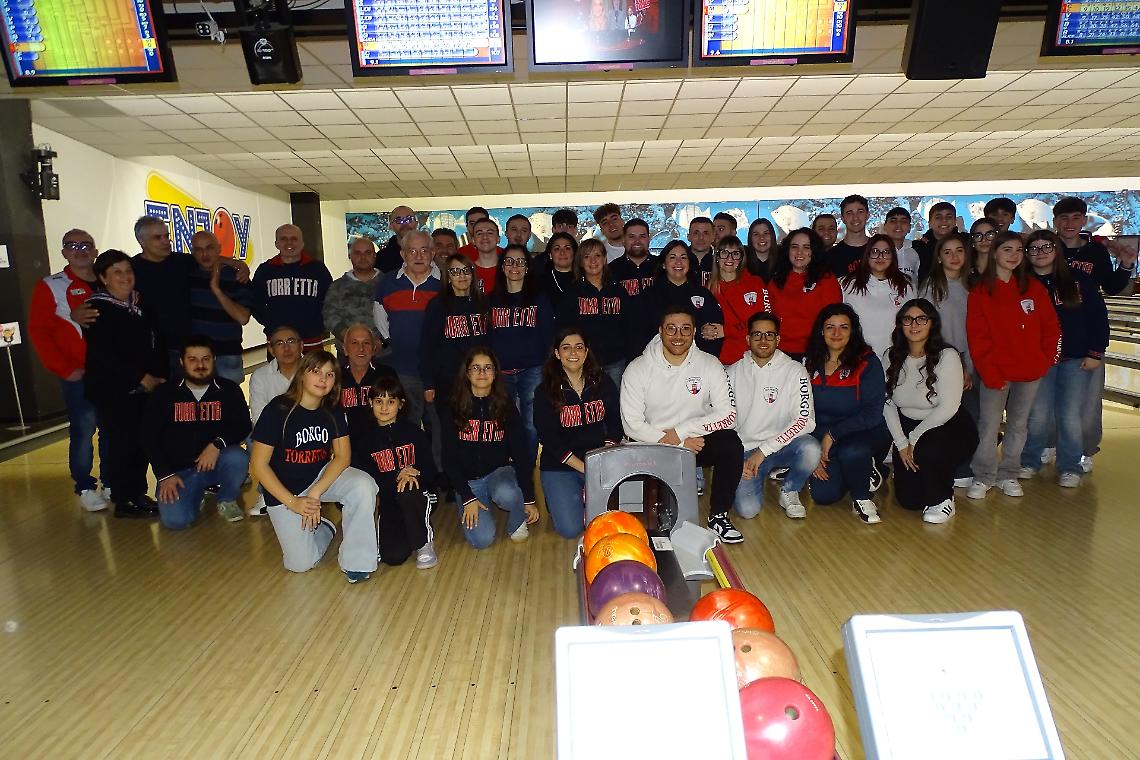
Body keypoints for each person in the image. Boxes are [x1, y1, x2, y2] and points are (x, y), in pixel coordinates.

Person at [250, 350, 380, 582]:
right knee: (300, 565)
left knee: (363, 485)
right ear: (302, 375)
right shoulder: (278, 409)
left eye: (330, 375)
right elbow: (258, 466)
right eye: (316, 372)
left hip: (317, 479)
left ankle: (357, 562)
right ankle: (325, 528)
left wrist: (315, 493)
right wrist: (294, 502)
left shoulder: (333, 410)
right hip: (284, 490)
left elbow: (342, 457)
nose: (323, 379)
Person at [621, 306, 744, 543]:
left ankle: (718, 515)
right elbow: (631, 425)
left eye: (685, 329)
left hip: (693, 442)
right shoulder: (637, 368)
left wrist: (681, 433)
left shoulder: (710, 364)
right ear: (660, 331)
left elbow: (729, 415)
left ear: (694, 332)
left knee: (730, 443)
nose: (678, 336)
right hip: (653, 446)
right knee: (654, 525)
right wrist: (671, 441)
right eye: (671, 329)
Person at [965, 231, 1060, 500]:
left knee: (1019, 424)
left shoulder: (1032, 288)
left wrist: (1044, 360)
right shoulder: (982, 291)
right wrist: (990, 372)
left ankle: (1009, 473)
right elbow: (978, 337)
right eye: (1007, 249)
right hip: (995, 371)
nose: (1014, 255)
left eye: (1019, 250)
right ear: (995, 252)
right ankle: (984, 476)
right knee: (989, 425)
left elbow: (1050, 328)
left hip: (1029, 371)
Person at [28, 229, 110, 511]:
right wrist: (63, 369)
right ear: (64, 252)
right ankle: (85, 486)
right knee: (84, 429)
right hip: (79, 374)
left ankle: (111, 482)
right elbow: (39, 333)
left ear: (95, 250)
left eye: (86, 245)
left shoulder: (109, 280)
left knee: (112, 428)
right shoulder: (51, 286)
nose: (80, 250)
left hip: (111, 372)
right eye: (72, 246)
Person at [1053, 195, 1136, 471]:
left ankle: (1086, 449)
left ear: (1084, 220)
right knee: (1050, 399)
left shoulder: (1095, 253)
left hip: (1085, 335)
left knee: (1087, 403)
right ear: (1055, 222)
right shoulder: (1045, 250)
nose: (1069, 223)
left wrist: (1126, 264)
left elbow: (1112, 287)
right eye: (1064, 218)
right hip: (1051, 337)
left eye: (1076, 218)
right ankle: (1050, 444)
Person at [1020, 230, 1109, 488]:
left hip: (1075, 359)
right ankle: (1030, 460)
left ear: (1056, 249)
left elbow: (1098, 317)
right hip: (1039, 360)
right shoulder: (1023, 283)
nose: (1040, 252)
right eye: (1033, 248)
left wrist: (1096, 352)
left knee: (1070, 415)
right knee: (1037, 415)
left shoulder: (1078, 279)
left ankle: (1069, 466)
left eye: (1046, 247)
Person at [84, 250, 166, 519]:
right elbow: (105, 355)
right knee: (122, 445)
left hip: (144, 387)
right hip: (114, 390)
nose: (124, 277)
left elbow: (156, 343)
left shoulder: (140, 304)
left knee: (140, 442)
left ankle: (136, 493)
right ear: (103, 278)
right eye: (116, 272)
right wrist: (140, 377)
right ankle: (124, 499)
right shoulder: (95, 309)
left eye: (128, 271)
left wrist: (158, 374)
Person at [883, 300, 978, 524]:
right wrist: (901, 443)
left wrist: (914, 439)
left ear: (932, 323)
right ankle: (933, 477)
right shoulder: (890, 356)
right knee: (909, 500)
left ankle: (943, 500)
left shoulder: (947, 356)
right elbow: (886, 403)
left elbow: (948, 408)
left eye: (921, 319)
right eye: (907, 319)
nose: (914, 325)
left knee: (928, 449)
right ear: (900, 324)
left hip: (948, 427)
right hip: (909, 425)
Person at [142, 336, 251, 529]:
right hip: (178, 472)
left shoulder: (229, 390)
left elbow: (243, 425)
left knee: (238, 457)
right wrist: (164, 475)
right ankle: (195, 494)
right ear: (182, 362)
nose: (200, 365)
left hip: (214, 464)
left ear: (214, 360)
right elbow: (149, 437)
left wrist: (218, 443)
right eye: (193, 359)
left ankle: (226, 499)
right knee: (176, 522)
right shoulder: (164, 394)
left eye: (206, 359)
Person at [126, 216, 249, 379]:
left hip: (186, 349)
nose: (165, 241)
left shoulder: (182, 261)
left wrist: (238, 264)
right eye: (158, 237)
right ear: (141, 241)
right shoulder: (131, 269)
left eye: (166, 236)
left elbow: (208, 258)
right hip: (153, 351)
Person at [440, 348, 539, 548]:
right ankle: (478, 504)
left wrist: (528, 498)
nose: (482, 373)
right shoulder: (453, 407)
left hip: (498, 473)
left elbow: (521, 452)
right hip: (469, 483)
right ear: (467, 373)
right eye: (476, 368)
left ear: (495, 373)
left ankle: (515, 522)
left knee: (509, 494)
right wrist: (467, 498)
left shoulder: (505, 405)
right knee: (482, 540)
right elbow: (448, 459)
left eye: (488, 368)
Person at [728, 312, 821, 520]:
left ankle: (789, 489)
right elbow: (723, 422)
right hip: (745, 453)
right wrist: (734, 459)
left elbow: (805, 420)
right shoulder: (731, 373)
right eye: (757, 334)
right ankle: (756, 475)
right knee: (748, 511)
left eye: (769, 335)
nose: (763, 340)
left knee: (811, 448)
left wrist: (764, 450)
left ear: (778, 339)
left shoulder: (795, 371)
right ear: (747, 339)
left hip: (781, 446)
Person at [804, 304, 891, 524]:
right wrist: (811, 453)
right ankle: (861, 470)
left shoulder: (868, 362)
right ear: (821, 331)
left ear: (853, 331)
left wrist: (833, 434)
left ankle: (862, 497)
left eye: (844, 327)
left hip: (863, 432)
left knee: (853, 451)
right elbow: (800, 411)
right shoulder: (809, 362)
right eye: (830, 327)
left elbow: (872, 414)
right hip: (823, 438)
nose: (836, 333)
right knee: (824, 496)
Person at [533, 329, 623, 538]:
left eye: (578, 347)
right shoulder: (545, 390)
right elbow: (549, 439)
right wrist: (584, 468)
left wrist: (603, 457)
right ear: (557, 353)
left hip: (599, 461)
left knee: (616, 521)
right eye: (566, 347)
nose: (573, 352)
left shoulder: (603, 382)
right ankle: (559, 496)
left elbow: (616, 424)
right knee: (570, 530)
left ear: (586, 351)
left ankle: (581, 497)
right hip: (561, 466)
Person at [352, 376, 438, 569]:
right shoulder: (366, 442)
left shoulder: (414, 433)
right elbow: (368, 478)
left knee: (408, 488)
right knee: (393, 556)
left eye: (391, 401)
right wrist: (395, 476)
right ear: (370, 403)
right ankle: (410, 530)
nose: (384, 408)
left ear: (401, 404)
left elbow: (430, 470)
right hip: (389, 501)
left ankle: (424, 541)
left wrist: (413, 473)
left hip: (419, 494)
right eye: (378, 401)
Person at [374, 230, 442, 454]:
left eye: (424, 250)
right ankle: (410, 475)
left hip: (437, 371)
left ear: (432, 253)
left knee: (437, 425)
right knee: (407, 424)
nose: (419, 255)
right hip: (402, 368)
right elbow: (380, 316)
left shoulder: (444, 283)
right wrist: (392, 340)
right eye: (412, 251)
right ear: (403, 254)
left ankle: (438, 478)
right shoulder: (388, 283)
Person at [919, 233, 977, 486]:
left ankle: (966, 465)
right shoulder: (932, 287)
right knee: (948, 417)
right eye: (947, 252)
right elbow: (928, 330)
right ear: (939, 258)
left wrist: (971, 365)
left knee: (973, 417)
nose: (954, 257)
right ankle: (950, 468)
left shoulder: (974, 286)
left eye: (959, 251)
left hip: (975, 358)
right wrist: (958, 366)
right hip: (945, 360)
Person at [490, 244, 556, 463]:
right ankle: (506, 466)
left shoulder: (540, 299)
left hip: (532, 369)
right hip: (501, 371)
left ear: (527, 268)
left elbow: (548, 336)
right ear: (502, 267)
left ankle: (526, 469)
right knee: (502, 421)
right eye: (509, 261)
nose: (514, 266)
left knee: (530, 424)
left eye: (520, 262)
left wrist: (547, 368)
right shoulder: (491, 300)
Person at [557, 238, 630, 388]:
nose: (593, 261)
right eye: (587, 256)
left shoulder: (618, 290)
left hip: (616, 360)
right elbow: (564, 328)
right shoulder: (572, 292)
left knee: (615, 405)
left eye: (597, 255)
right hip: (585, 362)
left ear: (604, 259)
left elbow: (629, 324)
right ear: (581, 262)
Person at [421, 253, 490, 409]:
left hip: (479, 378)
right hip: (447, 380)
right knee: (449, 427)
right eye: (455, 272)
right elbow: (426, 346)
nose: (462, 276)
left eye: (466, 270)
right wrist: (428, 383)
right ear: (448, 277)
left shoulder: (483, 303)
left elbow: (490, 343)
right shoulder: (437, 305)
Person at [248, 324, 303, 517]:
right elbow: (258, 417)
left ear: (301, 345)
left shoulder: (316, 372)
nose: (286, 348)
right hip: (276, 436)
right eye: (279, 343)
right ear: (271, 349)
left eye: (291, 342)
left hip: (310, 434)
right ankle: (270, 492)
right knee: (255, 441)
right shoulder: (260, 376)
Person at [251, 224, 332, 352]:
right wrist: (270, 323)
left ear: (302, 243)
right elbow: (255, 302)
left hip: (311, 341)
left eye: (294, 239)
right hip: (278, 342)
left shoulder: (318, 269)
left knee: (313, 372)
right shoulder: (265, 271)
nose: (289, 243)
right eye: (283, 239)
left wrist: (319, 325)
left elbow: (330, 301)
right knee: (278, 373)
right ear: (276, 243)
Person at [188, 231, 254, 384]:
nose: (204, 254)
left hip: (228, 352)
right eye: (198, 249)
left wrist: (216, 290)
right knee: (203, 405)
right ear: (192, 252)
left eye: (209, 248)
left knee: (230, 403)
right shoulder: (188, 276)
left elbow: (243, 317)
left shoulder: (238, 277)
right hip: (198, 356)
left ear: (219, 248)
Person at [766, 228, 842, 360]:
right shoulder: (776, 280)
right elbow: (768, 318)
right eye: (794, 247)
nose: (799, 252)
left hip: (815, 354)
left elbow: (833, 321)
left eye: (806, 247)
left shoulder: (827, 281)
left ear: (814, 251)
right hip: (779, 354)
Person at [639, 240, 723, 357]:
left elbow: (715, 331)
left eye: (683, 258)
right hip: (657, 362)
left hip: (697, 362)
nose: (678, 262)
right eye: (673, 257)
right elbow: (638, 334)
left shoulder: (703, 294)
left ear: (689, 263)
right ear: (663, 264)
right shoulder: (648, 296)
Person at [840, 234, 915, 358]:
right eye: (875, 251)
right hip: (858, 359)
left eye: (886, 252)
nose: (880, 256)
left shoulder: (906, 286)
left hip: (896, 358)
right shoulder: (846, 284)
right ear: (867, 255)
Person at [704, 235, 771, 365]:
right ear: (717, 257)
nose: (730, 258)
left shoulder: (755, 284)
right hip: (719, 361)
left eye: (735, 253)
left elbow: (764, 324)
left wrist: (727, 331)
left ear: (741, 258)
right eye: (724, 253)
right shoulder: (708, 289)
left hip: (752, 359)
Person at [338, 324, 396, 446]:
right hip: (346, 448)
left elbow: (398, 416)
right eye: (354, 343)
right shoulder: (335, 377)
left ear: (374, 348)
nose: (361, 349)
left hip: (381, 447)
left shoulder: (386, 374)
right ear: (345, 349)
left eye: (366, 343)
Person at [324, 236, 383, 354]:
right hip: (347, 356)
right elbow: (330, 317)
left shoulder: (389, 284)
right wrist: (352, 341)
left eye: (368, 253)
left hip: (384, 355)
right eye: (358, 253)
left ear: (374, 255)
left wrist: (380, 341)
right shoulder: (337, 287)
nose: (363, 257)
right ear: (350, 256)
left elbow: (396, 318)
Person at [609, 218, 659, 303]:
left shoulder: (662, 266)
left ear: (649, 239)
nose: (637, 241)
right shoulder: (611, 270)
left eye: (642, 236)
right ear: (623, 240)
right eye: (631, 236)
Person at [913, 201, 958, 283]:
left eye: (949, 217)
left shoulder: (966, 243)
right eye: (938, 217)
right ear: (930, 223)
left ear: (955, 221)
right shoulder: (917, 247)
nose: (944, 220)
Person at [828, 195, 871, 278]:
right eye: (849, 213)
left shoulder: (879, 250)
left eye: (860, 211)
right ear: (843, 218)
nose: (855, 217)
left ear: (867, 215)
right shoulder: (831, 256)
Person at [533, 232, 577, 308]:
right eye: (557, 248)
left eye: (567, 248)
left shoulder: (585, 279)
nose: (562, 252)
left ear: (574, 253)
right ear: (550, 255)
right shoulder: (538, 283)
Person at [883, 207, 921, 284]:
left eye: (903, 221)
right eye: (893, 221)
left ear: (909, 228)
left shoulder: (918, 250)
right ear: (885, 226)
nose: (898, 225)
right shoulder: (875, 250)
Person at [377, 204, 418, 272]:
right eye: (399, 220)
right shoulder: (381, 258)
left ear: (416, 223)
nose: (405, 224)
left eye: (409, 219)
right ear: (391, 226)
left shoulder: (428, 253)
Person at [469, 217, 503, 294]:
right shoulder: (466, 272)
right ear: (473, 240)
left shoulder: (510, 269)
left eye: (490, 233)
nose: (484, 237)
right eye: (479, 233)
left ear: (498, 239)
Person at [687, 216, 716, 282]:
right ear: (688, 237)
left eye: (706, 233)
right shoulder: (678, 263)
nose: (701, 238)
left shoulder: (721, 264)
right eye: (696, 233)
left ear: (713, 237)